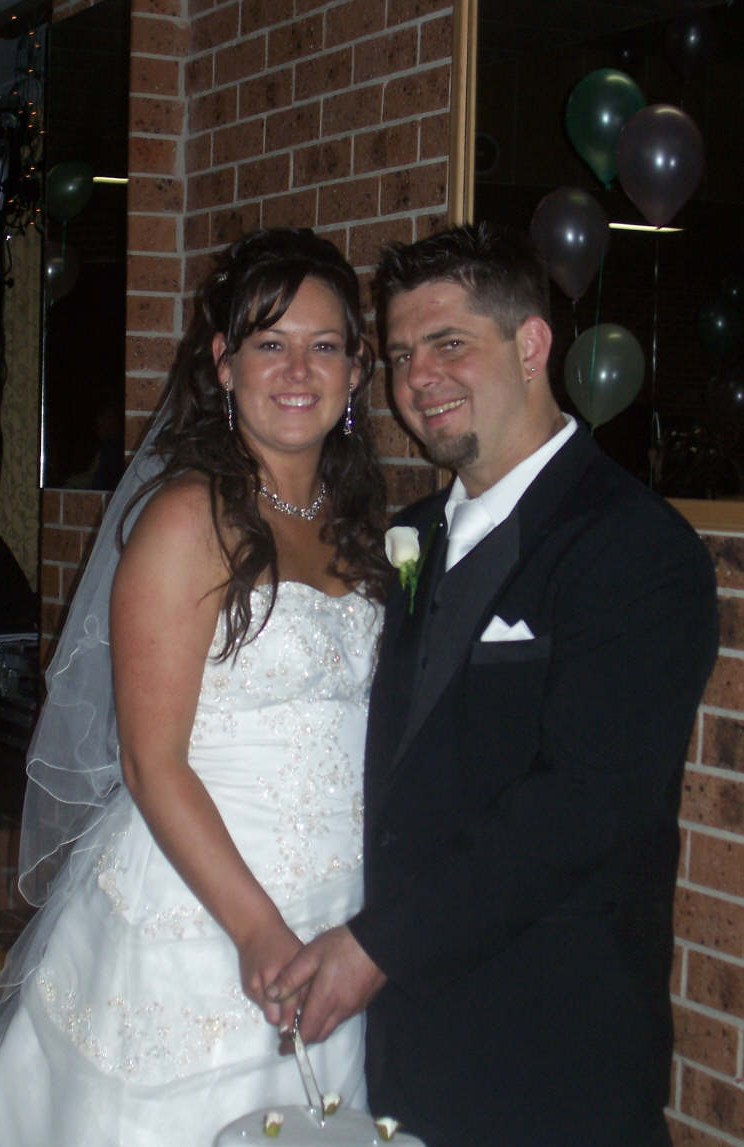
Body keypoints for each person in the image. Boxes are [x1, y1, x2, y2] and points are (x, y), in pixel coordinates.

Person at [0, 228, 390, 1147]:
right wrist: (257, 932)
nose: (299, 369)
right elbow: (151, 760)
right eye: (270, 342)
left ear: (357, 370)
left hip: (337, 910)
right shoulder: (186, 519)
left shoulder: (356, 527)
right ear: (224, 364)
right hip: (205, 918)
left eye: (324, 345)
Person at [267, 223, 720, 1147]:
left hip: (549, 1050)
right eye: (401, 355)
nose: (419, 378)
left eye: (449, 344)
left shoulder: (634, 546)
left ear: (531, 344)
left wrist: (378, 945)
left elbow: (585, 803)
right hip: (403, 1046)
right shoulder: (410, 533)